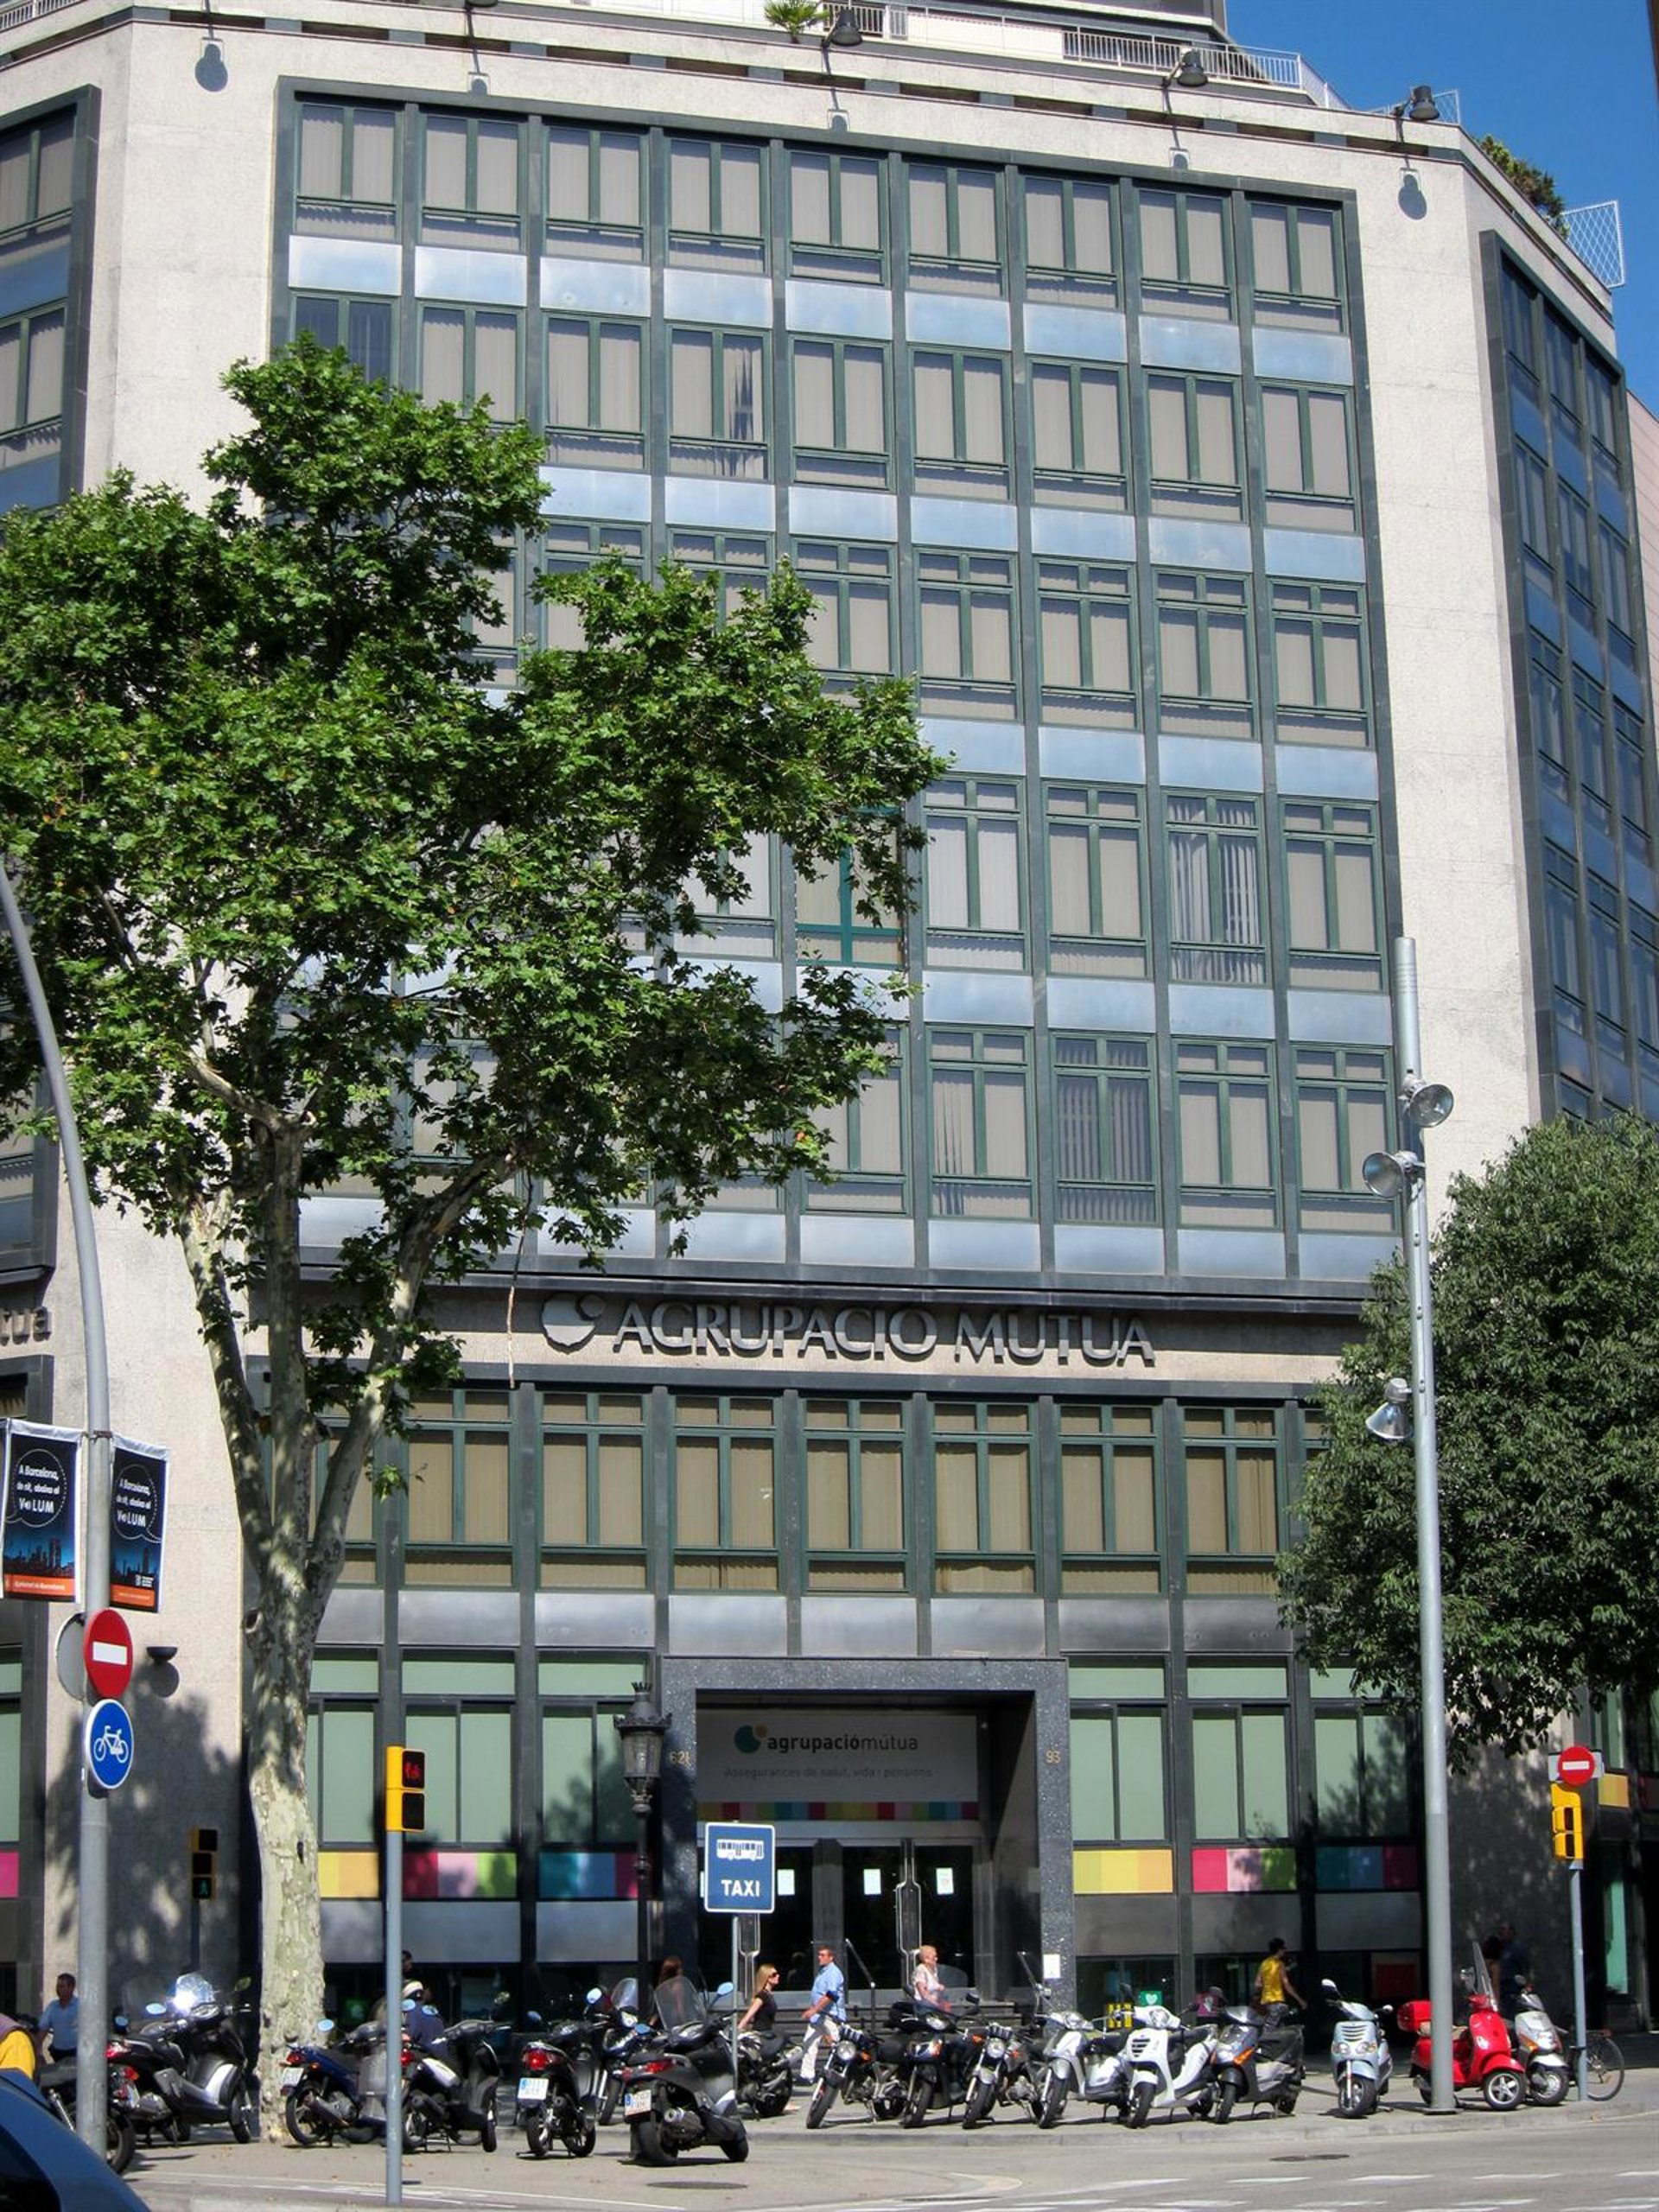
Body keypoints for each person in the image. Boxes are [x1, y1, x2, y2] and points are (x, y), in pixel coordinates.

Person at [798, 1943, 845, 2084]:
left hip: (830, 2016)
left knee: (837, 2047)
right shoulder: (822, 1972)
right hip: (818, 2016)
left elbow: (831, 1995)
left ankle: (841, 2075)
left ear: (831, 1957)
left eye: (823, 1955)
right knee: (809, 2042)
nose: (819, 1957)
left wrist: (814, 2009)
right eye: (819, 1955)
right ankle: (807, 2075)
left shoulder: (834, 1973)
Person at [1253, 1938, 1303, 2020]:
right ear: (1279, 1950)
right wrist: (1300, 2000)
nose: (1284, 1951)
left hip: (1265, 2002)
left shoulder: (1264, 1963)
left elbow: (1257, 1984)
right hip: (1276, 2000)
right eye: (1283, 1949)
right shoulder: (1279, 1964)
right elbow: (1286, 1984)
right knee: (1274, 2026)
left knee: (1278, 2025)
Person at [36, 1974, 77, 2062]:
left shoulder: (80, 2007)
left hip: (76, 2053)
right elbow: (43, 2029)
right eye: (58, 1986)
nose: (58, 1990)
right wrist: (36, 2050)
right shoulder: (52, 2007)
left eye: (62, 1986)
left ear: (71, 1988)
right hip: (58, 2053)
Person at [736, 1963, 781, 2040]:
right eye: (774, 1974)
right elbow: (748, 2016)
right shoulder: (762, 1996)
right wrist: (737, 2031)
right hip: (761, 2034)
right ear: (766, 1977)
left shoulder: (769, 1995)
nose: (778, 1976)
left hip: (768, 2033)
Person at [1496, 1923, 1531, 2015]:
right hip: (1499, 1989)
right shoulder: (1498, 1949)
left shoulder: (1517, 1949)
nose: (1502, 1932)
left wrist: (1527, 1984)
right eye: (1501, 1930)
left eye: (1505, 1930)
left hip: (1512, 1990)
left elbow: (1525, 1968)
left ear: (1511, 1932)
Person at [912, 1945, 949, 2012]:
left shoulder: (933, 1969)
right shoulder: (921, 1970)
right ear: (926, 1959)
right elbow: (923, 1993)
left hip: (934, 2004)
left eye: (936, 1957)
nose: (936, 1959)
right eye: (934, 1957)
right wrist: (937, 2005)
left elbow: (933, 1984)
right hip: (924, 2006)